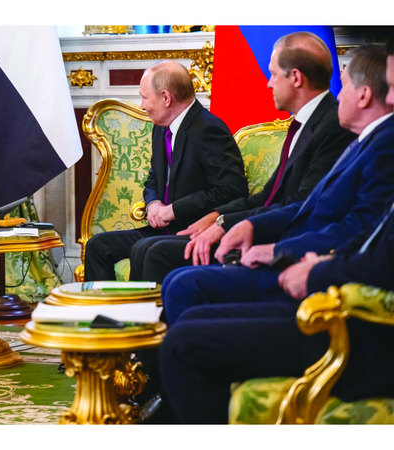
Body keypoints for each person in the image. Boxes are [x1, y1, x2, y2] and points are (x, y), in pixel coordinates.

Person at [158, 41, 394, 424]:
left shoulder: (381, 145)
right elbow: (318, 212)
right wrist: (246, 225)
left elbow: (361, 233)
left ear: (364, 95)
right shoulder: (365, 141)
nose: (338, 93)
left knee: (183, 322)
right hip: (310, 268)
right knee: (182, 303)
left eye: (345, 84)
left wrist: (291, 257)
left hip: (336, 310)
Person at [129, 32, 356, 283]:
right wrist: (217, 216)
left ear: (295, 78)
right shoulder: (306, 123)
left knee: (156, 253)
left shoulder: (332, 126)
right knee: (145, 248)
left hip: (283, 240)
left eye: (273, 74)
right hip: (260, 226)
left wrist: (226, 223)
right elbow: (267, 196)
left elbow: (303, 203)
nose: (268, 83)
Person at [83, 60, 248, 281]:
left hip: (194, 230)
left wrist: (173, 210)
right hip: (164, 230)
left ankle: (144, 305)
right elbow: (154, 177)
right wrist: (153, 204)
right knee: (98, 245)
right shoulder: (161, 128)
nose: (142, 106)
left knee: (144, 248)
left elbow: (231, 191)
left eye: (145, 97)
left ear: (166, 98)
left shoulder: (209, 129)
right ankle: (106, 304)